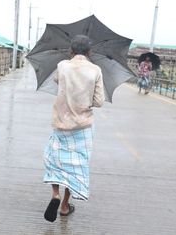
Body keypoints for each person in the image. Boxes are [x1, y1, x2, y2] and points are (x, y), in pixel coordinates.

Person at [43, 35, 104, 222]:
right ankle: (64, 206)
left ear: (71, 51)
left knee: (55, 159)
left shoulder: (63, 65)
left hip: (61, 121)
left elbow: (56, 80)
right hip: (82, 125)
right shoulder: (96, 70)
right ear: (89, 52)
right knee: (75, 164)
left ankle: (55, 194)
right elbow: (98, 102)